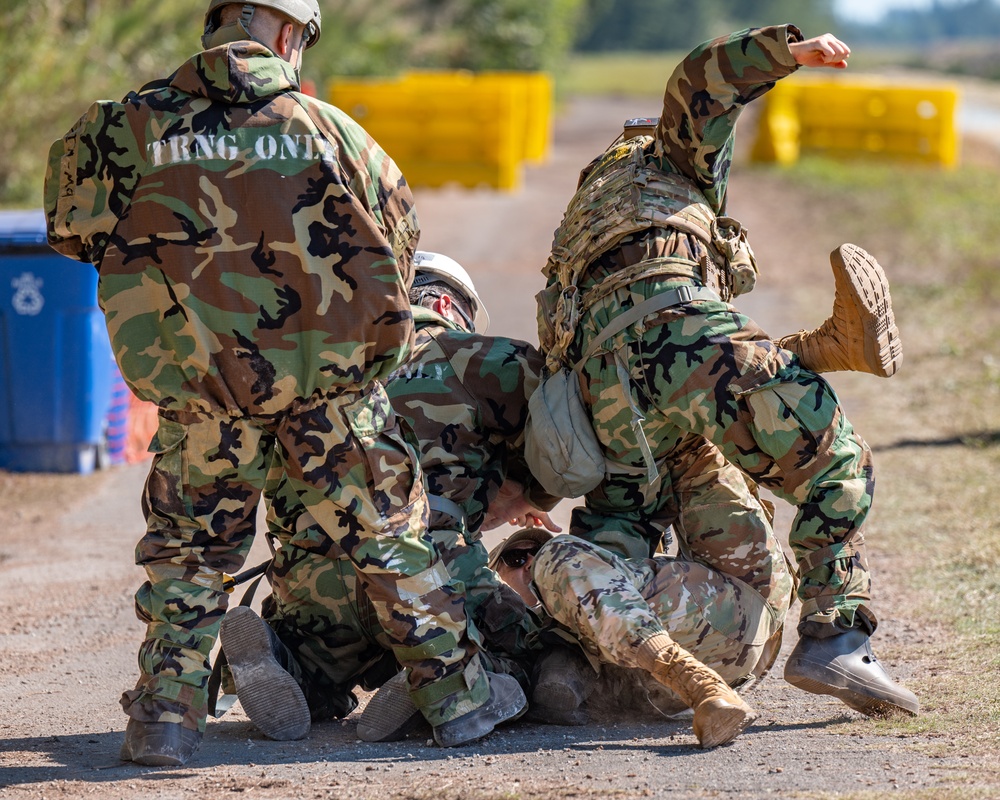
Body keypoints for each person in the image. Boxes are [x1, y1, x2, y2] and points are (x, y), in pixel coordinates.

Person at [43, 0, 495, 766]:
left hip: (202, 396)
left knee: (188, 554)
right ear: (287, 34)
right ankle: (461, 705)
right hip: (332, 400)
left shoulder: (122, 128)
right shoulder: (336, 131)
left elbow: (69, 229)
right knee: (391, 543)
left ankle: (165, 720)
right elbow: (401, 246)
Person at [535, 23, 918, 731]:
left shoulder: (582, 222)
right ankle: (837, 635)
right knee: (834, 462)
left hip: (602, 391)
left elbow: (650, 350)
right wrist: (784, 52)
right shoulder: (670, 162)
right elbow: (700, 82)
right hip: (681, 338)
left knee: (622, 523)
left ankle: (572, 665)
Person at [219, 252, 561, 747]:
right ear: (448, 303)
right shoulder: (479, 357)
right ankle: (444, 674)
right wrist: (522, 493)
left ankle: (284, 661)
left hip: (313, 576)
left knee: (316, 660)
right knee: (535, 650)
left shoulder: (321, 368)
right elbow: (565, 443)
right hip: (426, 574)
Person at [488, 515, 794, 748]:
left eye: (535, 551)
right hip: (687, 684)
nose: (530, 561)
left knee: (560, 554)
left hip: (722, 616)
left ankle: (695, 681)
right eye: (515, 558)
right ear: (495, 576)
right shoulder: (507, 620)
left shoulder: (580, 573)